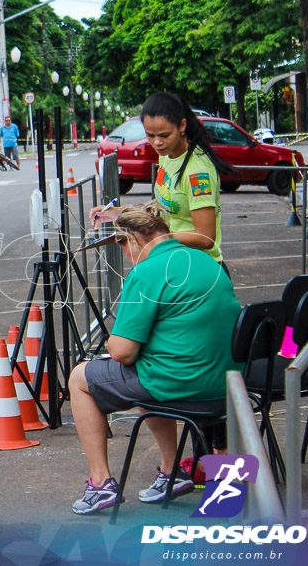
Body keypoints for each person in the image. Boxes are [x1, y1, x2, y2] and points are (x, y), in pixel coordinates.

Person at [68, 203, 241, 515]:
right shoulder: (206, 260)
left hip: (183, 384)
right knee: (144, 369)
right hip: (229, 386)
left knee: (79, 378)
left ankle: (100, 482)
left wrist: (112, 340)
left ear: (131, 240)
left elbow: (122, 351)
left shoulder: (146, 271)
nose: (127, 256)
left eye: (124, 248)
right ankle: (171, 471)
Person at [90, 92, 235, 272]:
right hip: (175, 261)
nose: (157, 142)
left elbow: (206, 237)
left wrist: (155, 237)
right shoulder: (168, 155)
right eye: (150, 135)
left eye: (165, 135)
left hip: (201, 270)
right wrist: (119, 212)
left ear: (182, 125)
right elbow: (164, 206)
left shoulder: (197, 172)